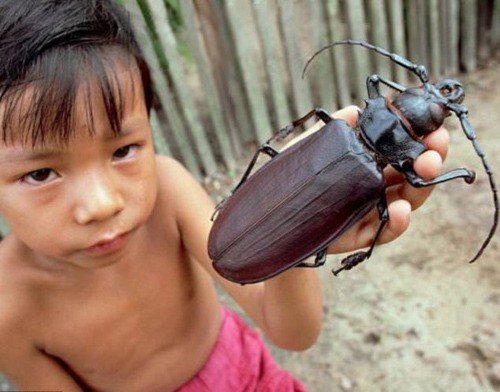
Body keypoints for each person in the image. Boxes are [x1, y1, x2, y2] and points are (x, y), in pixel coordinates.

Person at [0, 1, 450, 391]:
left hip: (249, 374)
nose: (102, 203)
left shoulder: (168, 192)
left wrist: (299, 219)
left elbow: (293, 332)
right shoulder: (7, 310)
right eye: (40, 173)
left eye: (122, 149)